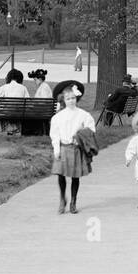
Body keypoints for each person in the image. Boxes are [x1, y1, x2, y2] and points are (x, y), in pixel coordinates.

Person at [49, 84, 97, 214]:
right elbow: (55, 134)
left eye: (73, 98)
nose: (71, 101)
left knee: (75, 177)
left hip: (76, 149)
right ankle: (62, 199)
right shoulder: (58, 117)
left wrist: (81, 135)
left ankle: (73, 202)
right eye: (68, 98)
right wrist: (56, 149)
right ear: (63, 100)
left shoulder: (83, 115)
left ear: (76, 98)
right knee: (61, 174)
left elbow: (91, 128)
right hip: (63, 148)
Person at [0, 68, 29, 135]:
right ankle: (15, 130)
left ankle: (2, 131)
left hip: (6, 114)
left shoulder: (3, 87)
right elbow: (28, 102)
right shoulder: (23, 88)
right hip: (20, 114)